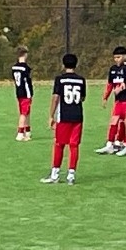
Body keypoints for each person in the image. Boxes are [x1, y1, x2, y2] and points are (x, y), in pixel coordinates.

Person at [43, 53, 87, 185]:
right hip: (77, 115)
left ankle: (55, 174)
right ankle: (71, 175)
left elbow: (56, 97)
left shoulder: (60, 79)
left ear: (63, 65)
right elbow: (82, 98)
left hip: (64, 116)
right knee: (74, 145)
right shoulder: (81, 80)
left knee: (59, 144)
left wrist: (51, 115)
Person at [97, 46, 126, 155]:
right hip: (118, 100)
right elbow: (110, 84)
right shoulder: (113, 69)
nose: (116, 59)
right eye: (115, 57)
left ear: (124, 56)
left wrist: (121, 88)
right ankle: (110, 144)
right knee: (114, 121)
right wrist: (105, 97)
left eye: (119, 57)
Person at [12, 48, 33, 141]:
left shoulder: (14, 68)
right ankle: (20, 133)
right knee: (24, 113)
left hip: (19, 91)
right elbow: (27, 81)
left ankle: (27, 131)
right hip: (26, 92)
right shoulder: (26, 68)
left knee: (26, 112)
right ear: (25, 55)